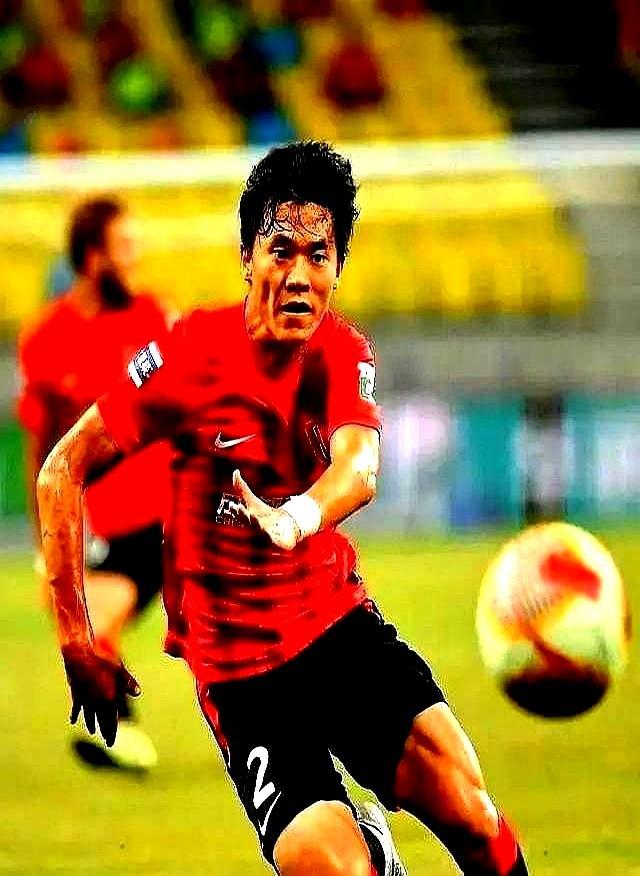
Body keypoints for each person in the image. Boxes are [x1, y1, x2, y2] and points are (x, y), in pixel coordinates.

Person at [36, 142, 529, 875]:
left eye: (319, 255)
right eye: (281, 250)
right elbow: (61, 470)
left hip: (335, 627)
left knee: (470, 811)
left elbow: (359, 466)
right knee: (328, 866)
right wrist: (77, 639)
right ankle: (372, 854)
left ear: (338, 266)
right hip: (242, 675)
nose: (299, 275)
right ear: (247, 257)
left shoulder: (341, 353)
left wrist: (296, 516)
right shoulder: (188, 355)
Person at [19, 195, 172, 772]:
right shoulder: (46, 338)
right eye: (124, 247)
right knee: (85, 623)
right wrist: (45, 545)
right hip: (113, 521)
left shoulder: (153, 318)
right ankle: (121, 733)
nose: (137, 258)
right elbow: (43, 452)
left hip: (176, 509)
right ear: (92, 259)